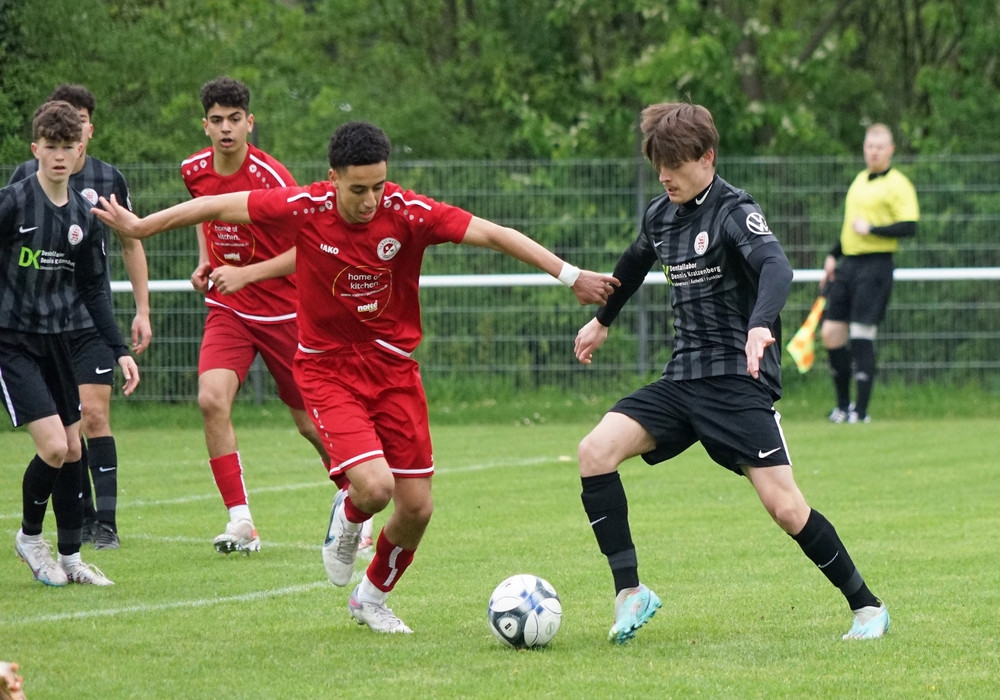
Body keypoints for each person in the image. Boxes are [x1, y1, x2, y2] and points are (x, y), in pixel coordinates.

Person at [92, 119, 619, 633]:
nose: (370, 201)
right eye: (358, 189)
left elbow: (494, 233)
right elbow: (214, 205)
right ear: (334, 178)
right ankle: (347, 516)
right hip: (328, 369)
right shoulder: (306, 207)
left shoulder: (407, 212)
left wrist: (570, 275)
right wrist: (141, 227)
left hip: (393, 370)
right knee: (375, 487)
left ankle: (370, 599)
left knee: (417, 508)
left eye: (379, 186)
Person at [573, 102, 888, 645]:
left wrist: (759, 325)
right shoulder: (660, 214)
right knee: (594, 452)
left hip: (737, 381)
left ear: (707, 157)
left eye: (675, 164)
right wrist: (602, 321)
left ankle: (868, 607)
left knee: (785, 507)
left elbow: (777, 266)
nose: (665, 175)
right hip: (682, 379)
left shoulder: (734, 211)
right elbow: (633, 263)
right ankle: (630, 592)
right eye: (658, 165)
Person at [178, 76, 345, 555]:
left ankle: (357, 501)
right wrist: (207, 261)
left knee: (310, 425)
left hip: (284, 313)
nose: (226, 129)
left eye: (235, 119)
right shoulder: (193, 169)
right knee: (211, 399)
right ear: (205, 125)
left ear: (249, 123)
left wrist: (246, 274)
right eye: (217, 120)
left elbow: (308, 249)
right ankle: (241, 521)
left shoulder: (272, 177)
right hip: (229, 309)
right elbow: (204, 214)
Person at [8, 84, 152, 550]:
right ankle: (40, 536)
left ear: (85, 139)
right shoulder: (16, 196)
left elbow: (101, 276)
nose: (60, 153)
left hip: (73, 330)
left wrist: (124, 340)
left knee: (80, 434)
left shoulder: (95, 202)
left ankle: (86, 541)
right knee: (58, 445)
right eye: (51, 145)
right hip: (20, 336)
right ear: (36, 148)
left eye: (68, 144)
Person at [820, 123, 919, 424]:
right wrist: (833, 255)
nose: (873, 152)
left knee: (862, 334)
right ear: (864, 149)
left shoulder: (899, 184)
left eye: (879, 147)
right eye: (869, 146)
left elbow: (910, 226)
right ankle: (842, 407)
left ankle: (860, 412)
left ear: (890, 150)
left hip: (876, 265)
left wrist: (873, 229)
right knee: (831, 333)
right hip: (848, 264)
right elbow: (851, 228)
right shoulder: (859, 180)